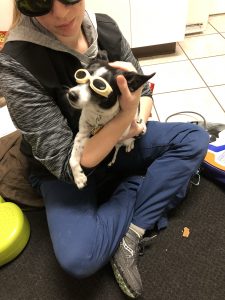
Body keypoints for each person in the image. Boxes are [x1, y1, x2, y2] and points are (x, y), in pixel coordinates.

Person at [0, 0, 209, 298]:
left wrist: (135, 117)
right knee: (79, 258)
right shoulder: (16, 63)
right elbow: (68, 165)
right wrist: (126, 115)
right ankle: (137, 187)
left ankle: (131, 231)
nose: (60, 14)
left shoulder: (105, 28)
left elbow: (144, 90)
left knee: (195, 140)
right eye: (39, 2)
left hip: (119, 142)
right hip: (71, 167)